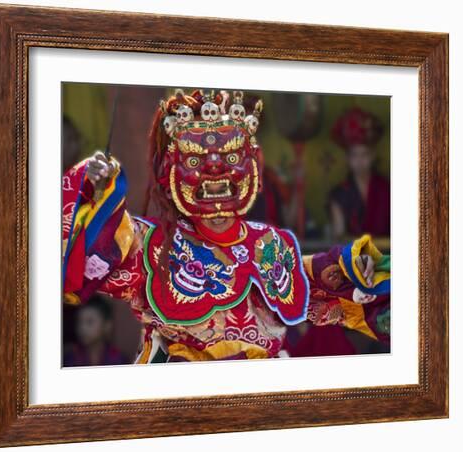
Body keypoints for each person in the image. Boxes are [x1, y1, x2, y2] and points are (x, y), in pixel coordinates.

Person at [62, 89, 390, 363]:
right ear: (171, 173)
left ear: (252, 165)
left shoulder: (270, 241)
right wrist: (92, 189)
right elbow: (88, 252)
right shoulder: (154, 244)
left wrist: (355, 268)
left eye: (232, 159)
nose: (216, 171)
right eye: (195, 161)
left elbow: (308, 284)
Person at [329, 107, 390, 239]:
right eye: (354, 156)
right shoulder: (339, 194)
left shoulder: (387, 189)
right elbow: (339, 235)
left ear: (373, 156)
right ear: (348, 159)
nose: (360, 161)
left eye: (365, 155)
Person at [63, 295, 127, 366]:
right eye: (80, 321)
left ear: (107, 325)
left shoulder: (118, 360)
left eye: (90, 322)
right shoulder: (70, 358)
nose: (82, 328)